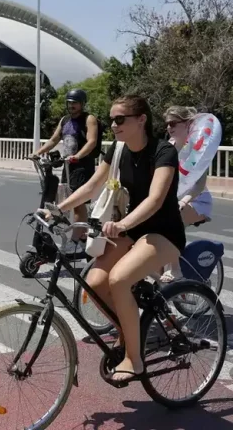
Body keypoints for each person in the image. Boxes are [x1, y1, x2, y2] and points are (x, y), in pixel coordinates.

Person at [41, 95, 185, 383]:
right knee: (94, 284)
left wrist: (121, 224)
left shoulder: (163, 152)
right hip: (131, 231)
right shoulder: (118, 149)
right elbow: (94, 185)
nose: (113, 125)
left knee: (119, 280)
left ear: (141, 119)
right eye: (111, 120)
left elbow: (156, 200)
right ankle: (129, 331)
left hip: (163, 233)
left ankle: (135, 360)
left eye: (120, 119)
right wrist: (60, 208)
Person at [33, 88, 102, 247]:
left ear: (82, 104)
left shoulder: (89, 119)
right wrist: (38, 152)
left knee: (78, 204)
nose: (71, 106)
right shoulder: (65, 120)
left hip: (82, 166)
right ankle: (82, 237)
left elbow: (92, 141)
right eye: (69, 103)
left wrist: (78, 156)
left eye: (75, 103)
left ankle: (76, 241)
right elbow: (54, 140)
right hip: (67, 166)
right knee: (67, 202)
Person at [159, 105, 213, 283]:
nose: (169, 127)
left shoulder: (197, 149)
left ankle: (175, 269)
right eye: (167, 124)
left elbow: (199, 185)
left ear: (187, 124)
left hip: (197, 200)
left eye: (173, 123)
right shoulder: (168, 147)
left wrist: (183, 201)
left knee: (171, 222)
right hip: (174, 199)